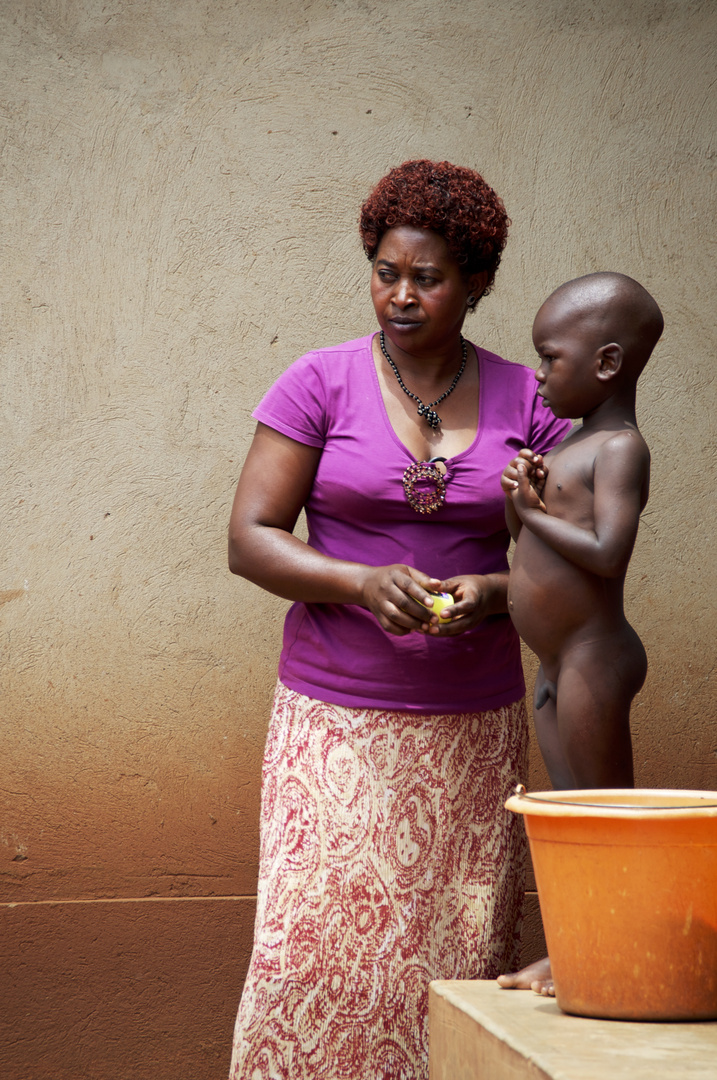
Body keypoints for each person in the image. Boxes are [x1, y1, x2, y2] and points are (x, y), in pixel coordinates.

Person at [227, 159, 570, 1080]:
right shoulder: (318, 382)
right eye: (387, 272)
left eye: (428, 277)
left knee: (452, 964)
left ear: (478, 283)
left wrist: (496, 594)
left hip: (471, 731)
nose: (402, 295)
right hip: (332, 727)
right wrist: (357, 581)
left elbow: (576, 560)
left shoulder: (534, 401)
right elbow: (251, 538)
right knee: (316, 957)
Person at [497, 272, 663, 995]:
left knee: (606, 818)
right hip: (553, 662)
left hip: (594, 659)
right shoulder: (566, 443)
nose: (537, 378)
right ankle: (574, 952)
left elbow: (606, 554)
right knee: (564, 818)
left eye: (548, 358)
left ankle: (623, 954)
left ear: (605, 364)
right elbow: (525, 546)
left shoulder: (620, 448)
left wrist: (531, 512)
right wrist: (518, 504)